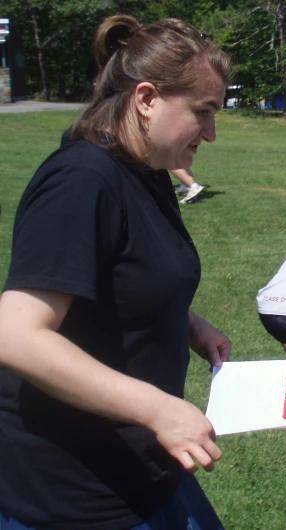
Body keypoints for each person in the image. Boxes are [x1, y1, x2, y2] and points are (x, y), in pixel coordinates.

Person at [0, 15, 233, 529]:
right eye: (203, 112)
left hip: (145, 468)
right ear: (146, 99)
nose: (212, 134)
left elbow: (127, 275)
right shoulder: (81, 181)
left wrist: (192, 325)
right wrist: (158, 409)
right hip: (77, 495)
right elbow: (15, 335)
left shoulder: (145, 169)